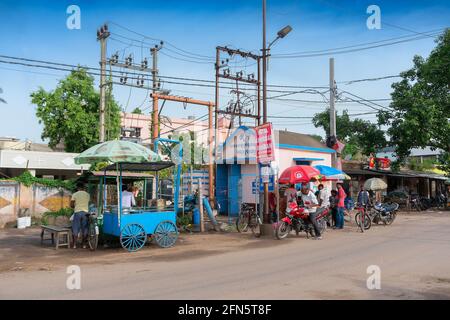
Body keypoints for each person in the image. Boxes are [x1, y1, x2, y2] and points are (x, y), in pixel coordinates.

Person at [70, 182, 90, 249]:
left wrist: (75, 206)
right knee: (85, 228)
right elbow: (88, 202)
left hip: (77, 212)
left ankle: (75, 245)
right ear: (83, 188)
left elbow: (72, 205)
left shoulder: (74, 194)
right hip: (85, 213)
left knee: (75, 228)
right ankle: (84, 244)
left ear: (77, 188)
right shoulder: (87, 194)